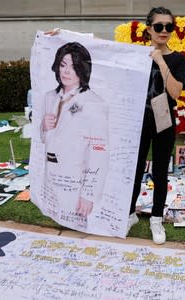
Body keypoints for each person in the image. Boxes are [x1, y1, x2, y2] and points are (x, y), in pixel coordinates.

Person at [127, 6, 185, 244]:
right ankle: (129, 214)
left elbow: (176, 92)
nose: (164, 31)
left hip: (164, 120)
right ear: (149, 28)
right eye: (159, 26)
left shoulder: (177, 58)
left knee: (160, 171)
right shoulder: (136, 55)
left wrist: (161, 62)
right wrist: (61, 36)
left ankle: (156, 219)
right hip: (138, 120)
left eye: (169, 27)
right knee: (134, 169)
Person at [40, 42, 109, 229]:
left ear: (83, 70)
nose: (66, 72)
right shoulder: (49, 97)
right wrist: (44, 127)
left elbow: (98, 152)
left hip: (76, 180)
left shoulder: (94, 103)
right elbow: (45, 139)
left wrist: (88, 194)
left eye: (73, 66)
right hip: (52, 176)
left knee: (77, 230)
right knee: (55, 225)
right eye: (63, 65)